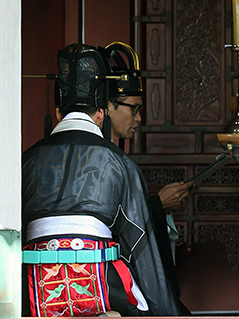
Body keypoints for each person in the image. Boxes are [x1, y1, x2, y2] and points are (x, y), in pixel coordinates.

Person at [22, 43, 180, 316]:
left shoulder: (26, 161)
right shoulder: (118, 163)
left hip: (35, 294)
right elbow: (140, 246)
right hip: (99, 291)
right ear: (100, 114)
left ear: (58, 113)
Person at [105, 43, 191, 312]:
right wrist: (157, 204)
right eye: (134, 109)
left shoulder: (121, 160)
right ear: (108, 107)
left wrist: (155, 205)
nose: (139, 118)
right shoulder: (102, 159)